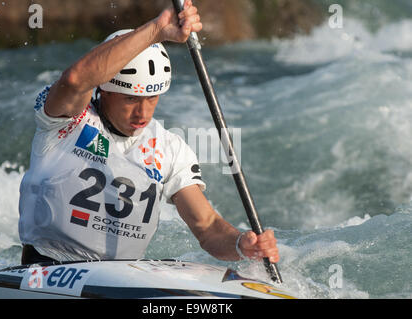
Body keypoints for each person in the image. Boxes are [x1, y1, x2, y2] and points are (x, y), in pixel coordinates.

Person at [18, 0, 280, 266]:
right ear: (104, 90)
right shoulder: (66, 120)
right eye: (131, 99)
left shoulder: (169, 148)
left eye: (152, 98)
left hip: (122, 277)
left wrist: (241, 245)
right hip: (47, 267)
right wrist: (156, 30)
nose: (142, 113)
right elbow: (76, 79)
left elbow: (208, 227)